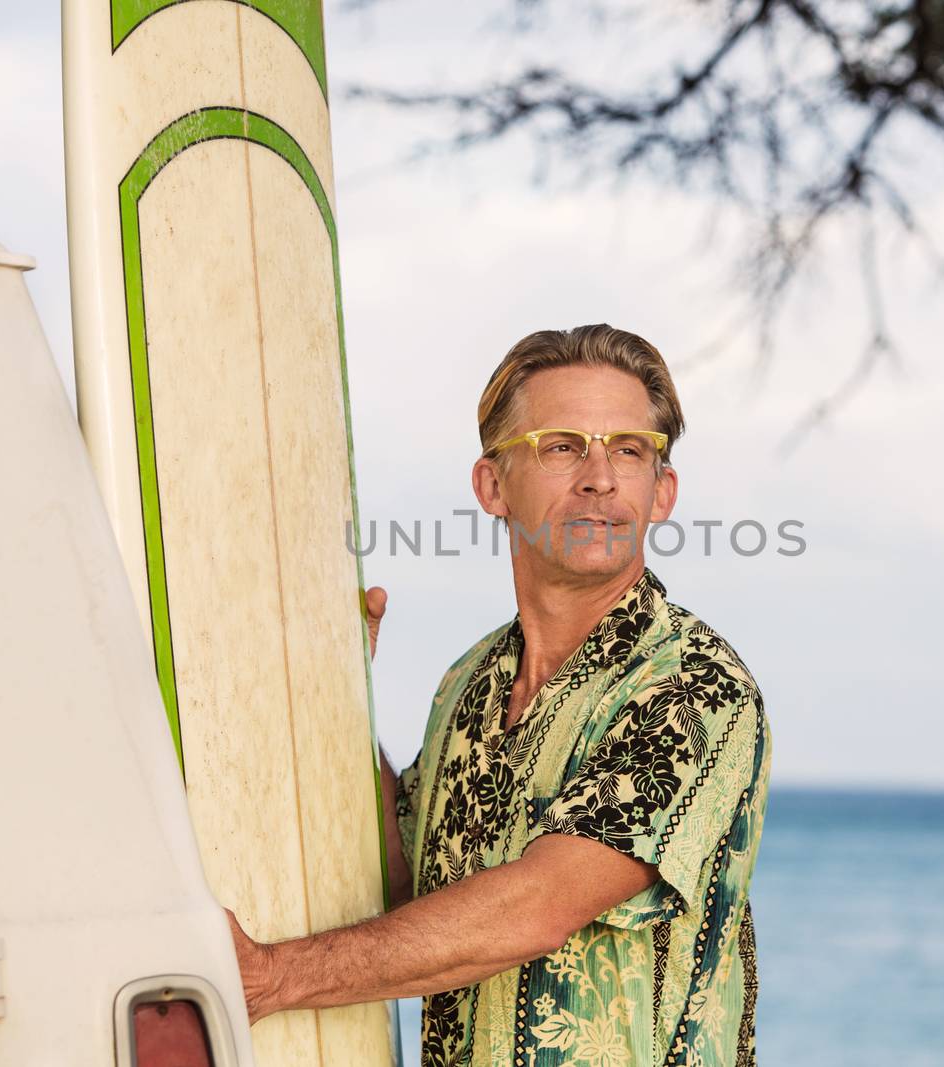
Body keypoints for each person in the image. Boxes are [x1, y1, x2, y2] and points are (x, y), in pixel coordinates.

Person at [229, 324, 771, 1065]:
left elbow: (535, 907)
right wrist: (336, 694)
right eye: (561, 446)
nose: (600, 477)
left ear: (661, 492)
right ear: (491, 484)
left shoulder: (695, 685)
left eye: (630, 450)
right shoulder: (469, 681)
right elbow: (408, 884)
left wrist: (271, 975)